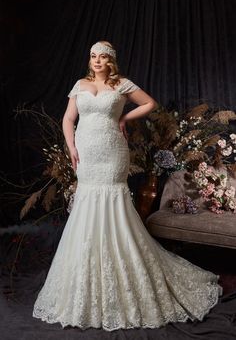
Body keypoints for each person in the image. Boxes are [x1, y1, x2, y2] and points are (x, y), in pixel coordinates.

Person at [32, 41, 222, 331]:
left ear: (111, 61)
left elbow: (149, 103)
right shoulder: (79, 84)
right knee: (87, 205)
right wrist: (70, 146)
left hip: (112, 154)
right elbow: (69, 119)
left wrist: (124, 117)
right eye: (93, 56)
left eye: (102, 57)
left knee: (113, 203)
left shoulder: (121, 84)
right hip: (86, 155)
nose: (97, 61)